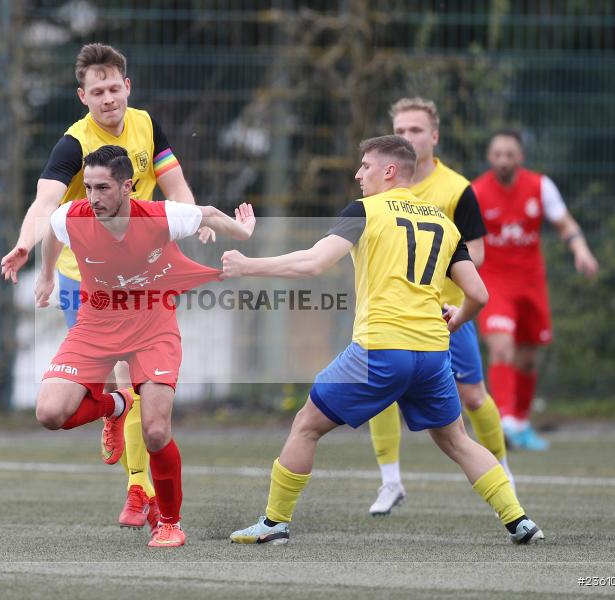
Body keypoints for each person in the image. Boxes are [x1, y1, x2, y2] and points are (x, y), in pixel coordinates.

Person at [222, 135, 542, 546]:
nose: (358, 174)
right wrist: (456, 320)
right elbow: (478, 294)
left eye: (366, 166)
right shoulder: (444, 224)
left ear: (389, 171)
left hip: (380, 350)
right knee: (457, 440)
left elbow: (314, 262)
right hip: (431, 353)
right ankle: (518, 520)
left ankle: (274, 524)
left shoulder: (365, 211)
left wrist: (248, 266)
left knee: (305, 426)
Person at [0, 43, 212, 531]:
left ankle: (141, 489)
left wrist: (194, 218)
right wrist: (26, 246)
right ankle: (137, 479)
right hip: (87, 277)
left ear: (127, 87)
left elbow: (176, 185)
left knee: (139, 382)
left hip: (143, 273)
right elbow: (44, 204)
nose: (108, 98)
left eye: (114, 88)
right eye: (97, 91)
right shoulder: (73, 144)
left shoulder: (147, 124)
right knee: (122, 380)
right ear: (83, 97)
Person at [3, 145, 255, 547]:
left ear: (128, 186)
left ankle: (170, 523)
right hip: (96, 324)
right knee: (50, 413)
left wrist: (242, 232)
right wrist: (47, 274)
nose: (93, 197)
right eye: (87, 187)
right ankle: (118, 405)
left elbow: (206, 214)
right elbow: (53, 228)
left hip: (153, 325)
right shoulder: (74, 216)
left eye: (103, 188)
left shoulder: (159, 216)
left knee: (156, 432)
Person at [364, 98, 513, 517]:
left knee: (474, 398)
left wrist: (438, 264)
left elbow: (477, 254)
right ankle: (390, 480)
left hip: (447, 313)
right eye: (400, 131)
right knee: (381, 394)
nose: (407, 137)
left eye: (415, 130)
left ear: (434, 136)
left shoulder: (456, 188)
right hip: (394, 314)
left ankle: (503, 469)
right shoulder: (380, 187)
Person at [472, 130, 599, 451]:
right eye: (497, 154)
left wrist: (581, 250)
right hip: (495, 283)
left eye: (509, 154)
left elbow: (566, 224)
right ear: (490, 157)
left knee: (528, 358)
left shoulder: (540, 186)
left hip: (530, 283)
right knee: (501, 348)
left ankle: (521, 423)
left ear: (520, 157)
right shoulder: (475, 192)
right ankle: (502, 425)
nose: (503, 160)